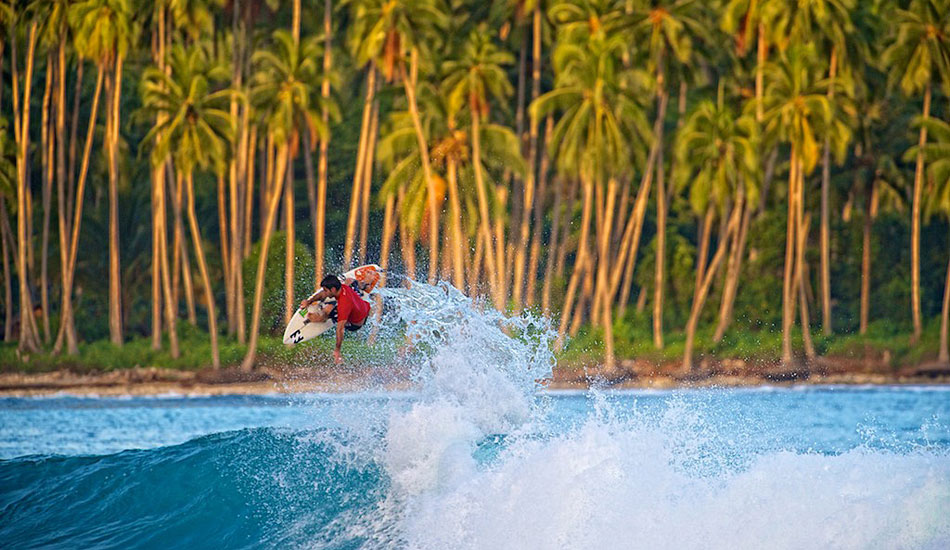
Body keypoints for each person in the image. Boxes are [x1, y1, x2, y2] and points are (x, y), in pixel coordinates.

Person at [298, 275, 371, 364]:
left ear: (333, 289)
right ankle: (364, 285)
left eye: (326, 290)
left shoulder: (343, 306)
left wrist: (337, 351)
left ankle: (320, 317)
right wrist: (309, 301)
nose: (324, 292)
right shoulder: (343, 287)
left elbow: (340, 330)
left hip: (355, 324)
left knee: (328, 309)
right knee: (350, 281)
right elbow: (323, 294)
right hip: (363, 307)